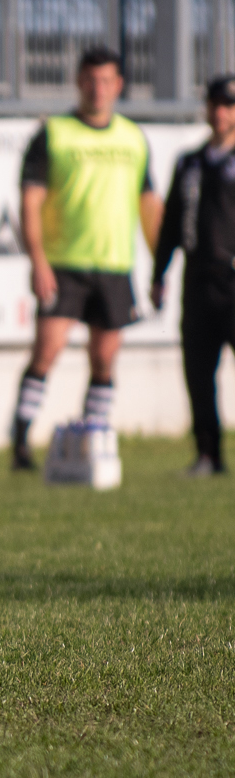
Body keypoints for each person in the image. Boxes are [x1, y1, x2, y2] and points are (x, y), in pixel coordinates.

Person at [8, 46, 162, 471]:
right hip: (64, 263)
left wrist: (161, 265)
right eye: (91, 80)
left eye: (106, 81)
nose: (98, 89)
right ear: (79, 82)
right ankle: (20, 442)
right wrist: (38, 260)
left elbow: (149, 205)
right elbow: (30, 202)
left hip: (114, 264)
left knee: (105, 357)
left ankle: (92, 438)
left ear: (119, 85)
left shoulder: (132, 138)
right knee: (48, 349)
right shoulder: (54, 133)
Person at [151, 74, 235, 477]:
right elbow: (171, 224)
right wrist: (159, 274)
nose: (221, 113)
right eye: (215, 104)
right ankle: (208, 454)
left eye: (229, 105)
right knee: (198, 373)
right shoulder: (190, 163)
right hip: (198, 282)